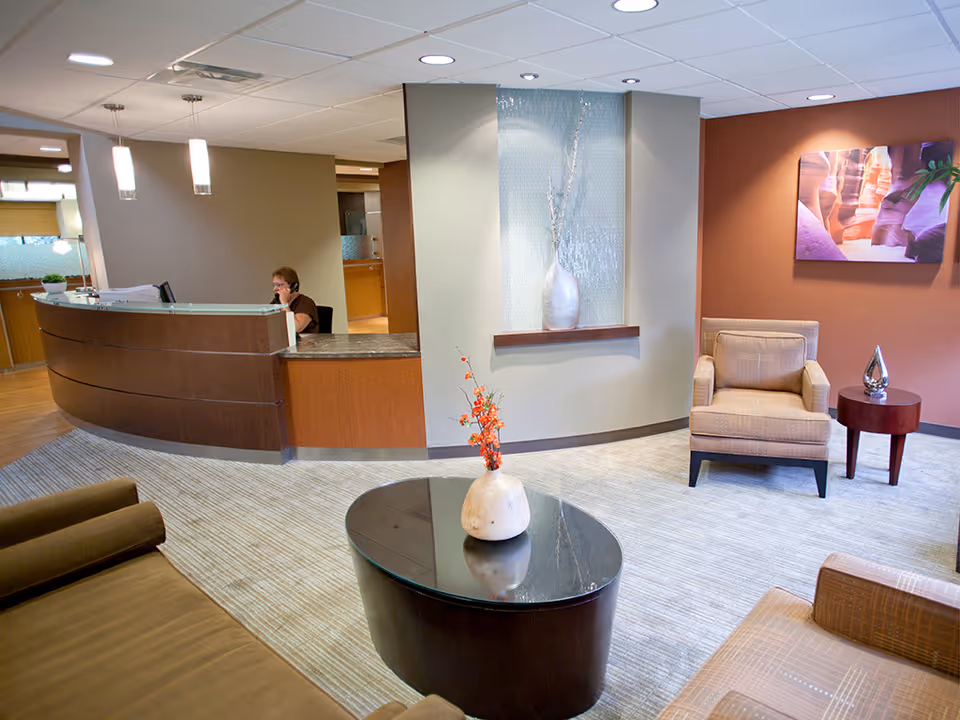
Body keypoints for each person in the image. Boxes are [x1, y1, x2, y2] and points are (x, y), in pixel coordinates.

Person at [270, 266, 319, 334]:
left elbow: (296, 328)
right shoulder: (276, 302)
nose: (275, 288)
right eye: (274, 285)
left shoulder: (305, 303)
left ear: (293, 286)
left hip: (304, 343)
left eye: (279, 285)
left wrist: (284, 304)